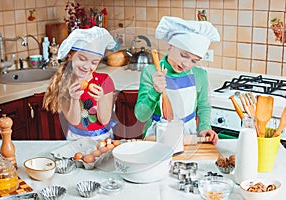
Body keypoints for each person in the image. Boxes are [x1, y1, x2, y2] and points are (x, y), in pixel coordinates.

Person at [135, 16, 219, 144]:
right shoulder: (152, 72)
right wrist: (155, 91)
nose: (186, 64)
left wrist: (204, 128)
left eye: (194, 61)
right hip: (157, 136)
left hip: (188, 136)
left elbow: (203, 106)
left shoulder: (200, 75)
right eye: (183, 55)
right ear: (170, 45)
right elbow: (141, 116)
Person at [43, 27, 116, 141]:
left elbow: (105, 120)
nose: (87, 66)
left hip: (103, 139)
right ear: (70, 55)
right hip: (76, 139)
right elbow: (74, 121)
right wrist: (75, 99)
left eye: (94, 62)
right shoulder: (65, 82)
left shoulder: (104, 81)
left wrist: (101, 99)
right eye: (82, 59)